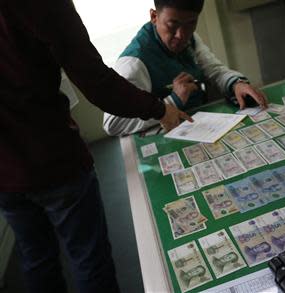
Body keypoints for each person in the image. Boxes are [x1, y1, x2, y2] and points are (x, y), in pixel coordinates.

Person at [0, 1, 191, 292]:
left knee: (36, 259)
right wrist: (161, 109)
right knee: (89, 260)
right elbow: (96, 81)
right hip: (54, 160)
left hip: (5, 171)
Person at [103, 0, 268, 136]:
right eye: (172, 25)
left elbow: (214, 70)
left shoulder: (189, 38)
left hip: (200, 127)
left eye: (191, 23)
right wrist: (171, 102)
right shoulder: (133, 63)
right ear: (154, 16)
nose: (181, 35)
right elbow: (113, 124)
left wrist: (236, 84)